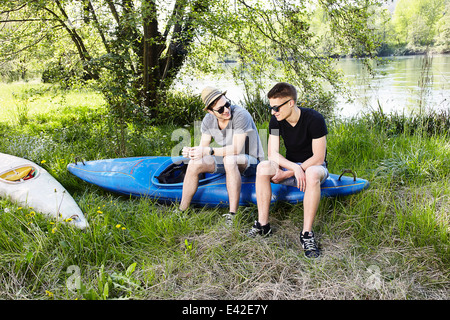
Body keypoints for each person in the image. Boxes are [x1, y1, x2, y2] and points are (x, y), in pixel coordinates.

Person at [247, 82, 329, 258]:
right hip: (292, 166)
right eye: (271, 108)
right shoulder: (276, 120)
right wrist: (293, 168)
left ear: (290, 103)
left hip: (314, 167)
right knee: (262, 167)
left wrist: (292, 171)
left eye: (276, 108)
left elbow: (318, 157)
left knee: (313, 172)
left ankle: (306, 234)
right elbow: (272, 153)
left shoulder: (314, 119)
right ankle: (263, 225)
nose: (272, 112)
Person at [179, 86, 265, 224]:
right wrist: (192, 151)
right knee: (195, 163)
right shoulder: (208, 120)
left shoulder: (241, 115)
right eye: (220, 109)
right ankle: (182, 210)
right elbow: (203, 147)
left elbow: (236, 149)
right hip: (228, 158)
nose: (226, 110)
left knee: (230, 159)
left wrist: (209, 151)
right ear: (210, 111)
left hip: (253, 161)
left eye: (227, 104)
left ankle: (233, 215)